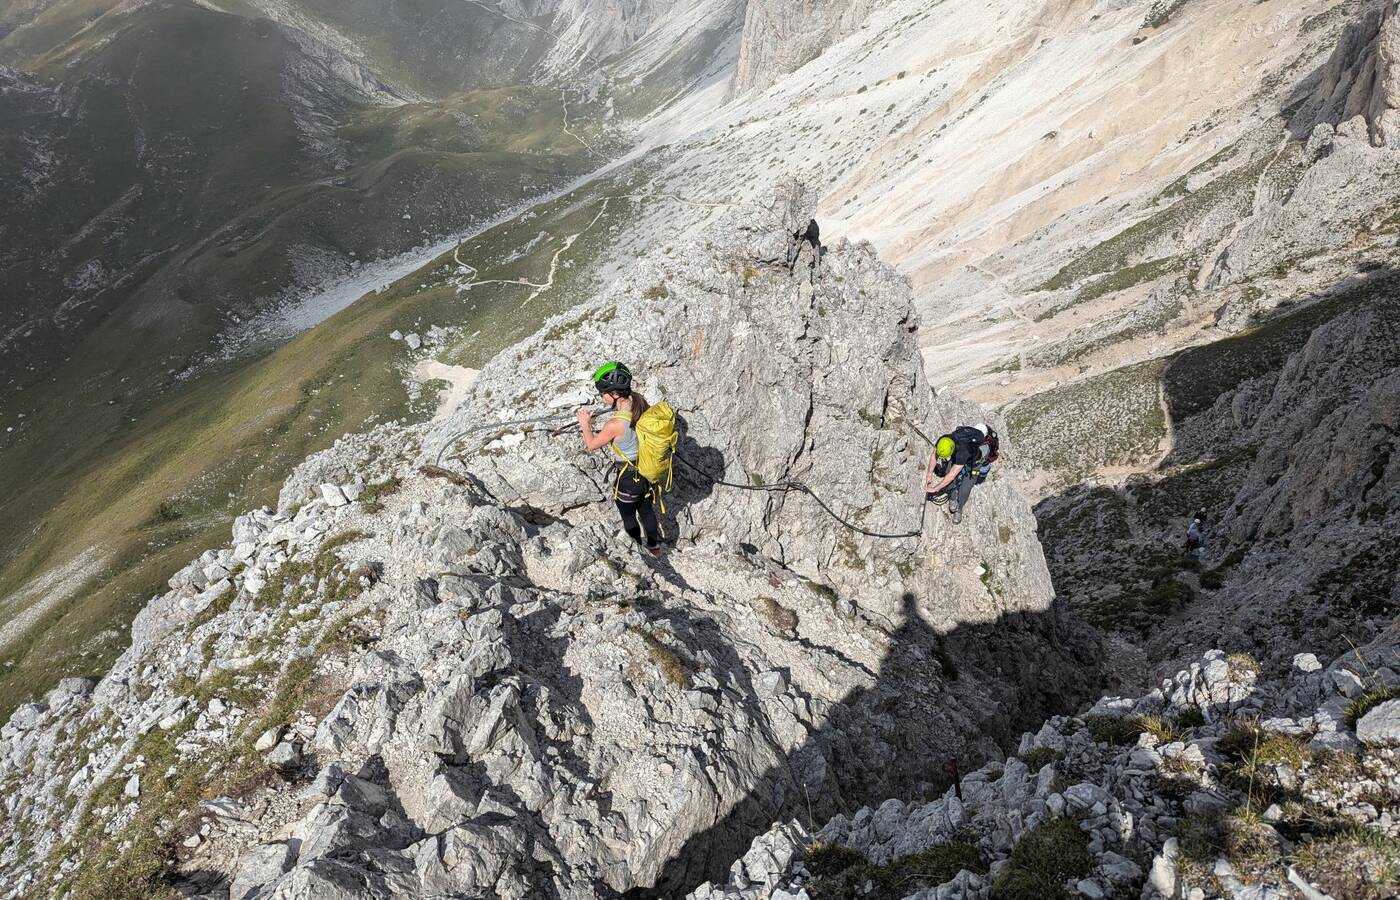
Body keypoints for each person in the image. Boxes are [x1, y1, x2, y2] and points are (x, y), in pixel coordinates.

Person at [577, 361, 663, 557]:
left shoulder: (615, 424)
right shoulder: (638, 402)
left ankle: (637, 549)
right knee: (647, 510)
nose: (601, 397)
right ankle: (655, 548)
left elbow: (591, 444)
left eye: (602, 393)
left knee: (628, 515)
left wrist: (584, 423)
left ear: (614, 393)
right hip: (646, 472)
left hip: (627, 480)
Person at [924, 423, 998, 525]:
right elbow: (934, 456)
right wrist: (929, 474)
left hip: (973, 464)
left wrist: (935, 488)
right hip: (958, 457)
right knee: (949, 479)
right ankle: (953, 497)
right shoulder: (945, 440)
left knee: (965, 488)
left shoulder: (966, 450)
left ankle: (959, 509)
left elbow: (951, 475)